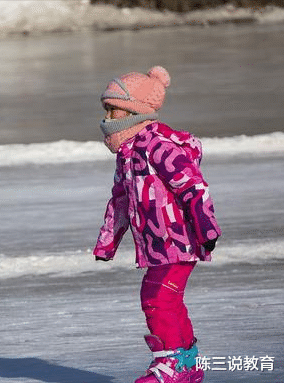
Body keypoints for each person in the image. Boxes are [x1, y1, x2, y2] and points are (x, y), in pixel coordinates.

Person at [93, 66, 221, 383]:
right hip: (156, 246)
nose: (107, 116)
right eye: (106, 109)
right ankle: (186, 364)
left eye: (114, 108)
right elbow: (120, 200)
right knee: (167, 300)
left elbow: (193, 186)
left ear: (135, 110)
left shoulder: (158, 146)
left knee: (158, 299)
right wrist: (107, 243)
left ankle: (171, 363)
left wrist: (207, 230)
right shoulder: (127, 153)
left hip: (179, 241)